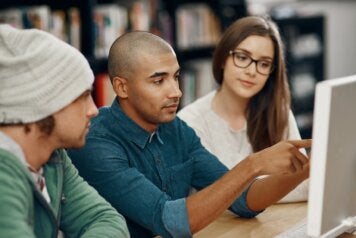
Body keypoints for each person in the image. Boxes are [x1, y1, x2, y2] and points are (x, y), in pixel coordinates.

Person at [67, 30, 311, 238]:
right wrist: (253, 165)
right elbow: (168, 220)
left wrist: (309, 168)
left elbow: (244, 201)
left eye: (175, 77)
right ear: (122, 87)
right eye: (158, 81)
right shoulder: (95, 141)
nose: (176, 92)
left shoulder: (175, 128)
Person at [0, 25, 129, 237]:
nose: (94, 110)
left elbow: (106, 219)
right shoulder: (3, 175)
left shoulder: (52, 156)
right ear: (45, 103)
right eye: (83, 96)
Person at [178, 16, 308, 203]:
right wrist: (277, 184)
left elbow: (304, 183)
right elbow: (221, 199)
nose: (251, 71)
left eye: (264, 64)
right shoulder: (189, 122)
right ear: (223, 58)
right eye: (242, 57)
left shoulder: (278, 112)